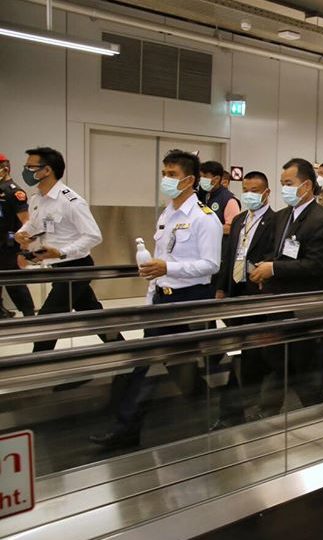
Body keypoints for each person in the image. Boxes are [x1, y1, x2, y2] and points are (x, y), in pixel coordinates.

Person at [90, 149, 222, 448]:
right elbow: (160, 259)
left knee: (148, 362)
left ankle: (127, 427)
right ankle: (222, 408)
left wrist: (169, 268)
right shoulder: (167, 214)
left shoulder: (205, 219)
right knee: (174, 364)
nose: (166, 180)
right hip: (164, 298)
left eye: (172, 175)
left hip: (189, 299)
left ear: (190, 179)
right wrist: (152, 295)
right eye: (164, 174)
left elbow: (211, 265)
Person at [250, 158, 323, 408]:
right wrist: (266, 268)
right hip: (281, 303)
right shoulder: (282, 217)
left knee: (308, 365)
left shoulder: (322, 218)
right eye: (282, 183)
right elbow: (279, 253)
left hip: (308, 305)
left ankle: (321, 409)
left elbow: (317, 264)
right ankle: (271, 409)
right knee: (277, 361)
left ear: (305, 186)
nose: (285, 189)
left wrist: (274, 269)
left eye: (289, 183)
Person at [14, 147, 115, 351]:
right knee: (93, 314)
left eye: (30, 167)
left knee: (47, 322)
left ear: (47, 170)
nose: (25, 171)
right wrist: (22, 232)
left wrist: (61, 252)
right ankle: (122, 353)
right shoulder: (37, 199)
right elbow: (34, 225)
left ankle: (39, 368)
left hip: (77, 267)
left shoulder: (71, 201)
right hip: (59, 268)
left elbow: (94, 235)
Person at [211, 171, 275, 429]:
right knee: (246, 352)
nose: (249, 194)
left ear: (267, 192)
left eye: (255, 190)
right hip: (236, 292)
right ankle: (238, 407)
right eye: (246, 189)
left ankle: (235, 410)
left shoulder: (275, 221)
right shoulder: (238, 220)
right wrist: (220, 288)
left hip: (258, 295)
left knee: (255, 355)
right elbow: (230, 255)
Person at [0, 153, 35, 317]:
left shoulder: (14, 192)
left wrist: (23, 251)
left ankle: (29, 315)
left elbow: (26, 222)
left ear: (4, 169)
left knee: (14, 283)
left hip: (9, 245)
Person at [198, 161, 240, 236]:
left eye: (205, 177)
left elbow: (232, 228)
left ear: (216, 179)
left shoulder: (229, 200)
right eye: (200, 177)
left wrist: (207, 229)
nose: (201, 180)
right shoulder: (203, 195)